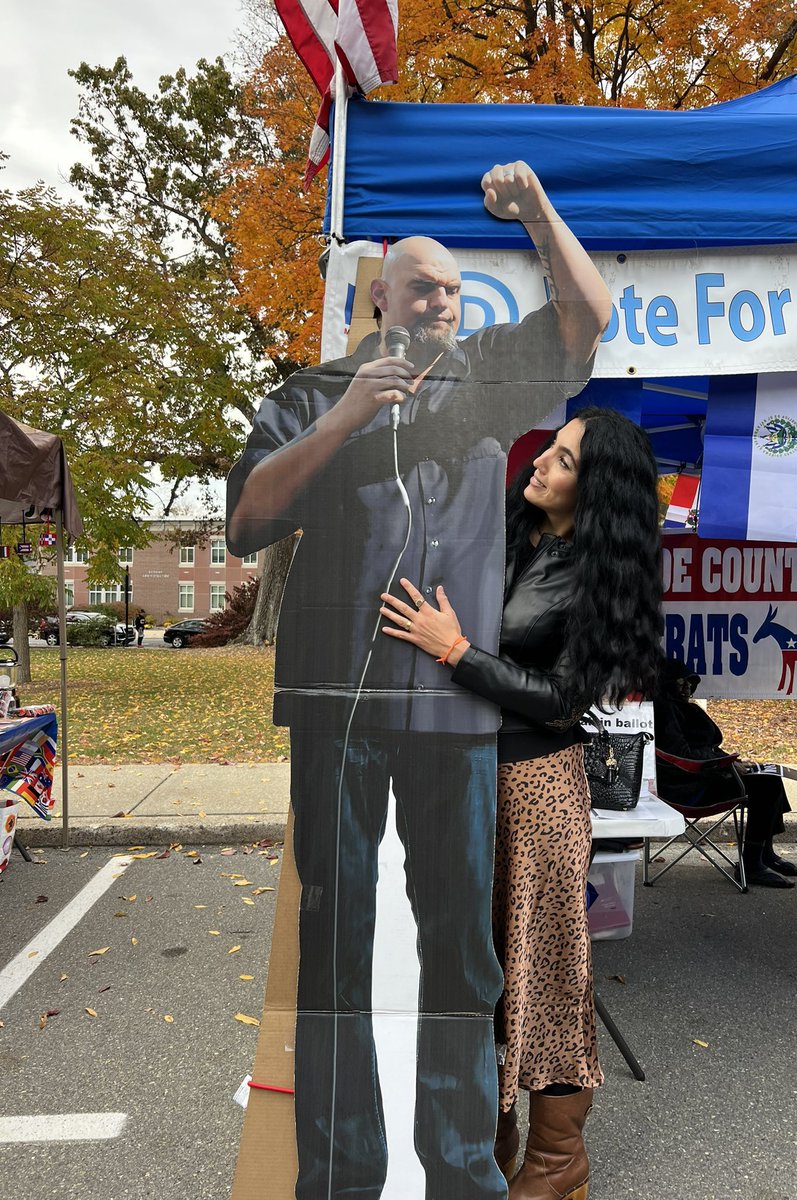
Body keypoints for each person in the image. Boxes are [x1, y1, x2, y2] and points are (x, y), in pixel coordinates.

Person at [226, 162, 612, 1198]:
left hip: (454, 709)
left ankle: (460, 1174)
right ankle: (342, 1178)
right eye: (420, 287)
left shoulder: (491, 374)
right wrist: (345, 417)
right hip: (335, 706)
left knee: (459, 955)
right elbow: (249, 517)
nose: (439, 301)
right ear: (381, 296)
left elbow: (588, 318)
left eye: (452, 289)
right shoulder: (309, 393)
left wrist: (534, 212)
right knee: (337, 950)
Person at [381, 406, 662, 1200]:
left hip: (536, 790)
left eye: (565, 461)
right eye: (551, 449)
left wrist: (457, 652)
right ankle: (490, 1132)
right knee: (473, 968)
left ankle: (555, 1160)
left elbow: (562, 702)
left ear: (597, 491)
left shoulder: (597, 574)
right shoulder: (508, 531)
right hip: (459, 778)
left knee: (544, 973)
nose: (542, 462)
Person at [653, 657, 797, 888]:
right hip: (686, 787)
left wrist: (733, 761)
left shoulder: (682, 708)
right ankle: (752, 865)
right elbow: (681, 755)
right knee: (766, 787)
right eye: (680, 682)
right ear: (665, 684)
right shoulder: (663, 711)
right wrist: (725, 763)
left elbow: (706, 748)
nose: (687, 687)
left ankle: (765, 853)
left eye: (690, 682)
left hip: (704, 775)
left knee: (771, 777)